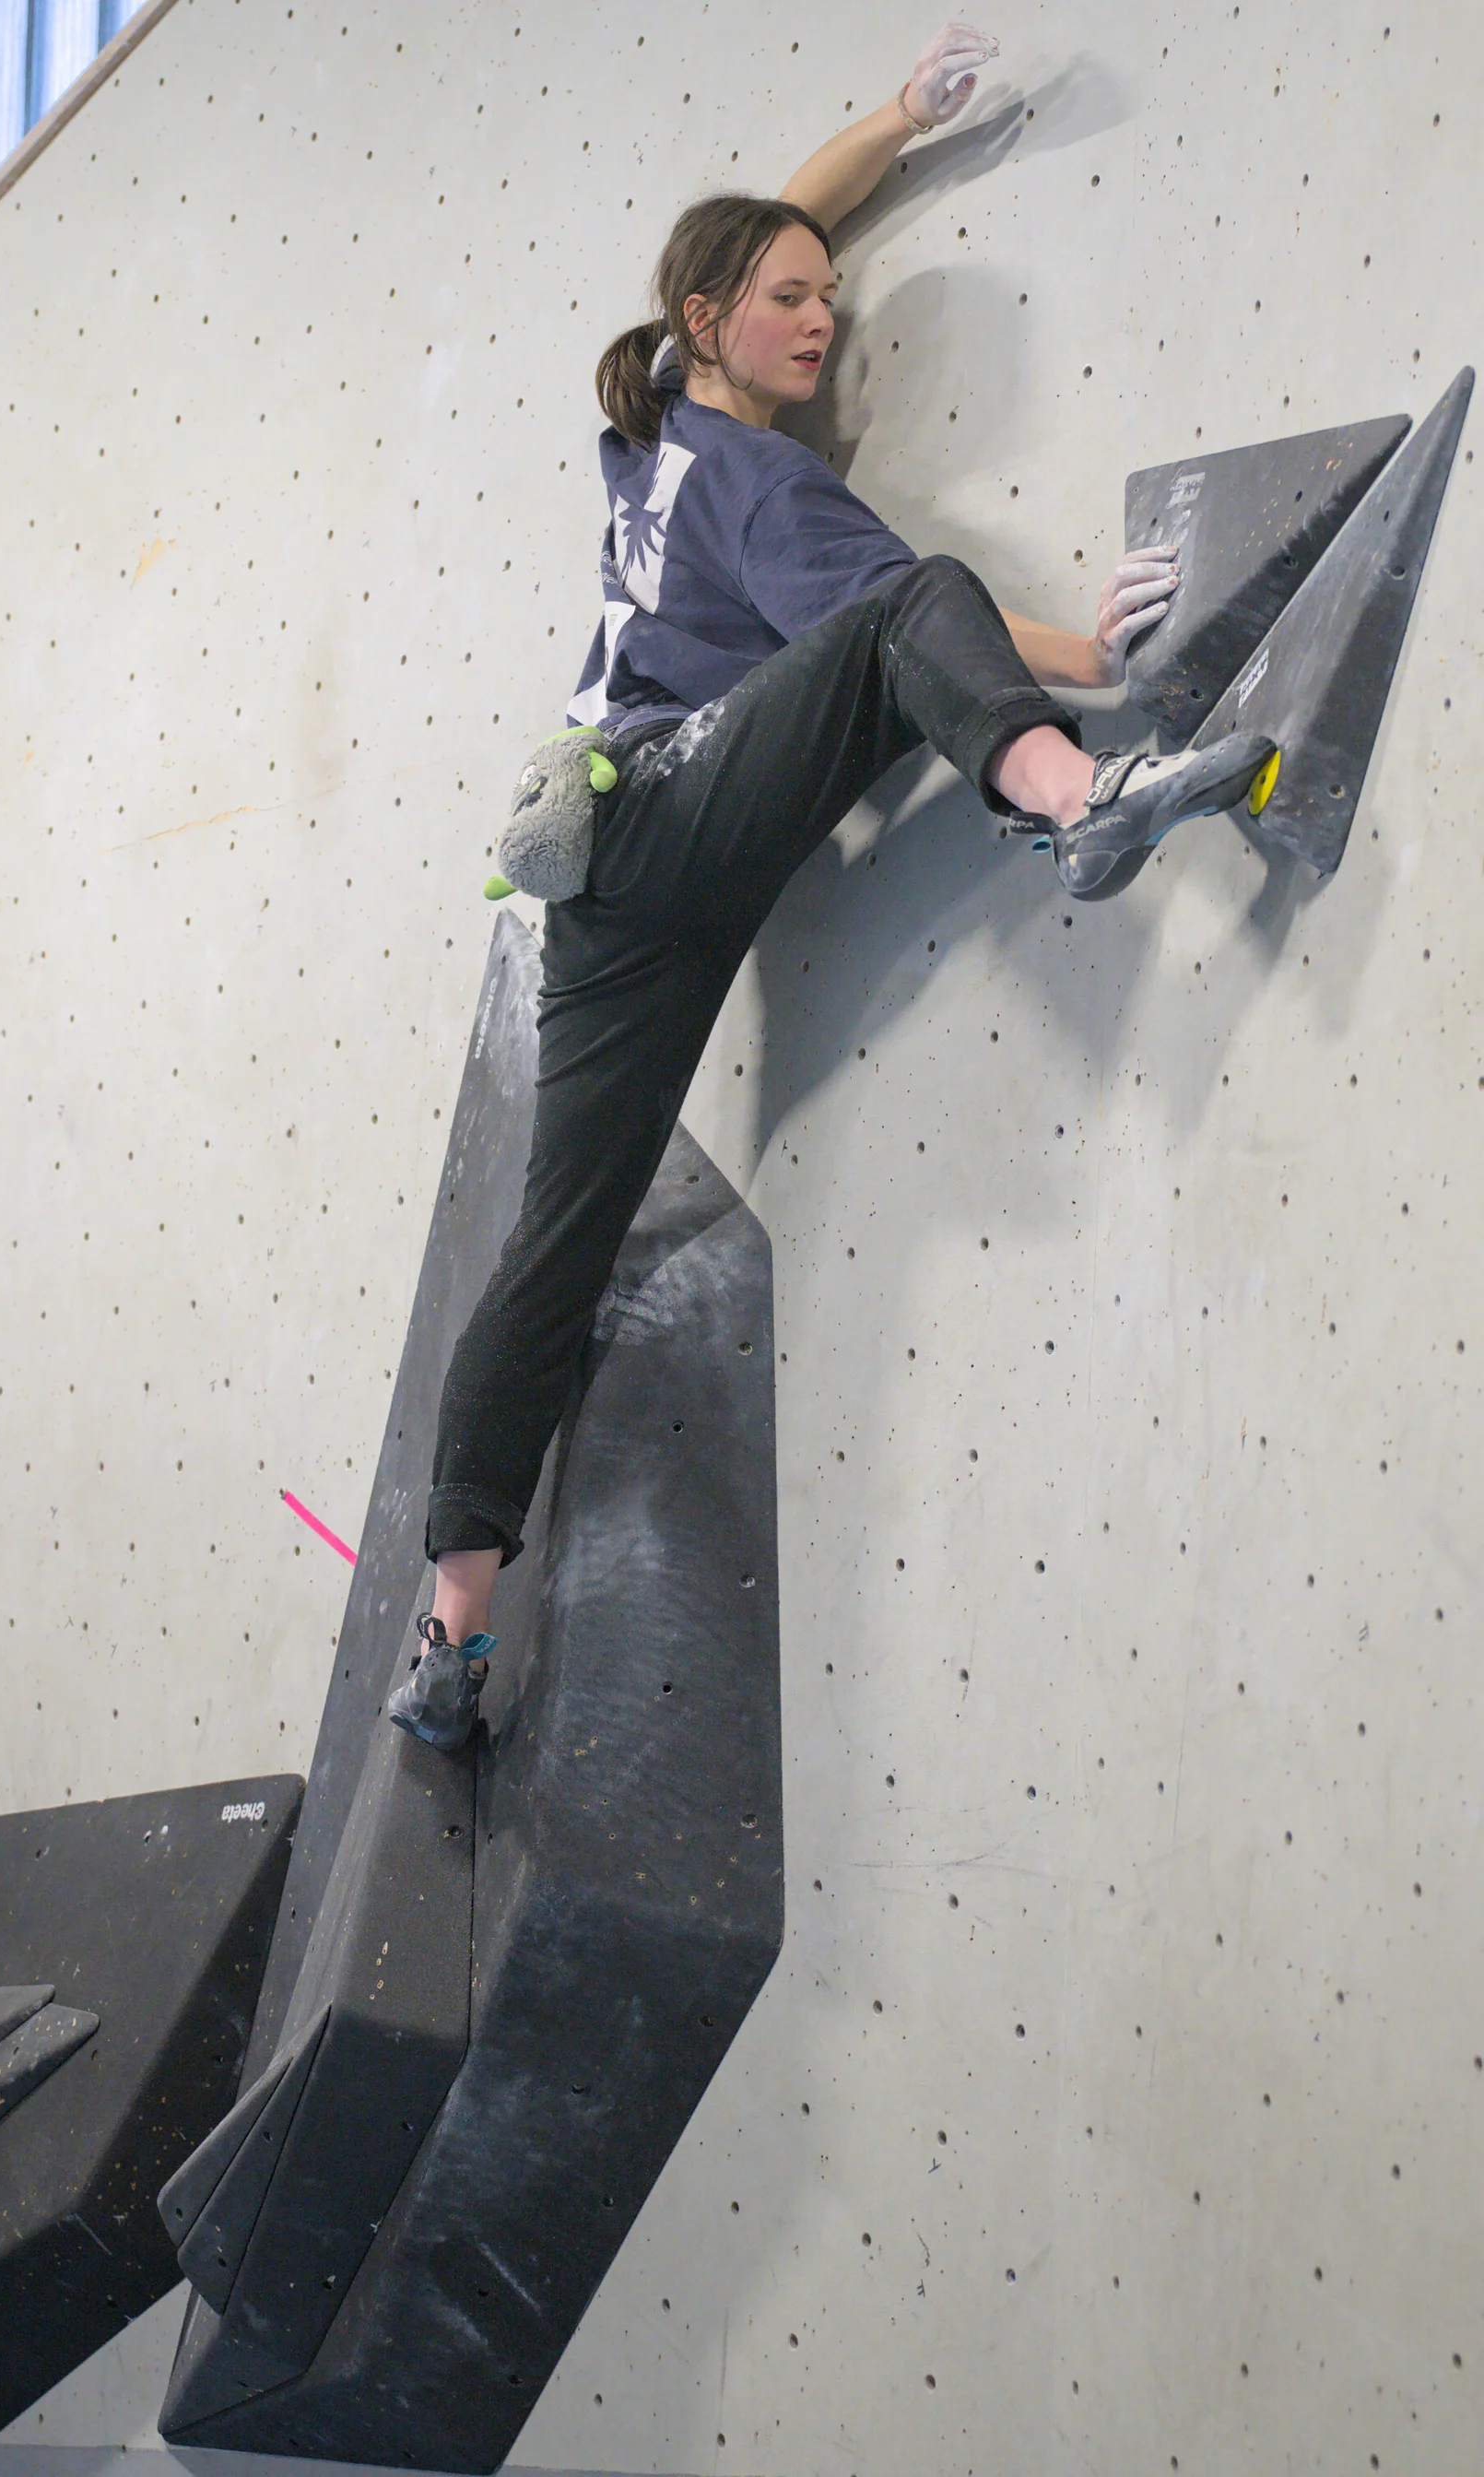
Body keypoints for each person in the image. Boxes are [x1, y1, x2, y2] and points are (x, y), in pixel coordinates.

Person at [389, 24, 1274, 1749]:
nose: (824, 321)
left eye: (834, 302)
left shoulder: (651, 423)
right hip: (676, 805)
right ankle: (1079, 802)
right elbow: (901, 621)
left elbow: (771, 225)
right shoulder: (758, 480)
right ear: (713, 316)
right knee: (913, 599)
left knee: (557, 1245)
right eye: (793, 303)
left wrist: (892, 122)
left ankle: (452, 1636)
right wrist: (1096, 660)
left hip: (603, 883)